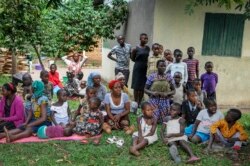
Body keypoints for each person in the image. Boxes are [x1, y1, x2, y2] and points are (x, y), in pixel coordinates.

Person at [131, 33, 150, 107]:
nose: (145, 39)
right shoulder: (135, 49)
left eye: (146, 38)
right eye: (143, 38)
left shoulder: (148, 48)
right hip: (137, 68)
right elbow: (132, 58)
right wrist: (139, 62)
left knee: (142, 86)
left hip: (145, 68)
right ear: (140, 38)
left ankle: (139, 102)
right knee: (136, 86)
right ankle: (136, 102)